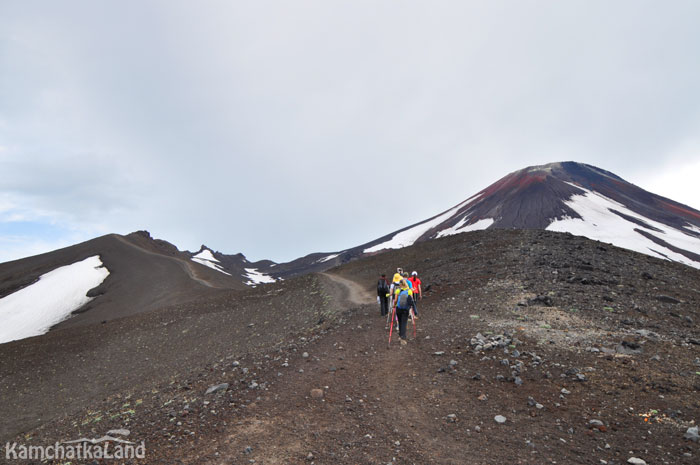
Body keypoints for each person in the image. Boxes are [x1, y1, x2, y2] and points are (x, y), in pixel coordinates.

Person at [392, 279, 417, 345]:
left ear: (400, 284)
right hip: (405, 309)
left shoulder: (398, 290)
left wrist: (394, 306)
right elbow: (411, 300)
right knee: (404, 323)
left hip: (398, 308)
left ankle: (400, 336)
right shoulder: (409, 291)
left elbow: (395, 300)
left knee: (400, 322)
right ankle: (403, 338)